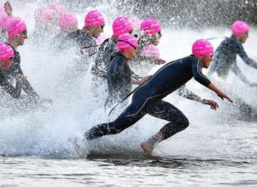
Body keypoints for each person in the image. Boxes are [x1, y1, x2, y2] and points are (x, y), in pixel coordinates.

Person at [84, 39, 233, 156]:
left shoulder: (185, 65)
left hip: (151, 100)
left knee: (181, 121)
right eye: (211, 54)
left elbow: (181, 91)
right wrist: (218, 91)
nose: (212, 58)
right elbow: (199, 77)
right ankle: (82, 138)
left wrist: (204, 101)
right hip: (145, 99)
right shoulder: (194, 62)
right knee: (116, 127)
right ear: (202, 54)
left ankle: (150, 143)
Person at [209, 20, 257, 86]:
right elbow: (247, 60)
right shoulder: (236, 44)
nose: (247, 36)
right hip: (218, 81)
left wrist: (248, 83)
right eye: (246, 33)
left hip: (213, 80)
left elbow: (232, 67)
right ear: (239, 34)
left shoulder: (225, 43)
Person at [104, 33, 151, 110]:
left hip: (112, 103)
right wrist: (137, 82)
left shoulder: (117, 59)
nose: (136, 51)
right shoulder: (120, 60)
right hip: (116, 105)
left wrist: (141, 80)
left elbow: (129, 75)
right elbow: (118, 75)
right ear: (127, 48)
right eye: (135, 48)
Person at [4, 17, 41, 102]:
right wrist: (37, 99)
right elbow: (22, 80)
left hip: (1, 97)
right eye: (24, 32)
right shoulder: (12, 55)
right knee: (46, 103)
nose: (26, 36)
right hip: (4, 101)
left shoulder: (3, 49)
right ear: (17, 35)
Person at [92, 16, 133, 82]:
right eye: (130, 32)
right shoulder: (109, 47)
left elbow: (125, 71)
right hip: (102, 89)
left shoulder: (115, 46)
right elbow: (96, 70)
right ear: (122, 33)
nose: (132, 35)